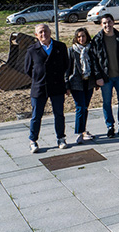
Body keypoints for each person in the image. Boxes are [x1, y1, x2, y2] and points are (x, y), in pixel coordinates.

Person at [24, 23, 69, 153]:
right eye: (41, 32)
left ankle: (61, 138)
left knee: (59, 114)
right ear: (36, 35)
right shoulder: (32, 50)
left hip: (57, 86)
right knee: (36, 116)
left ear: (50, 32)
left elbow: (66, 65)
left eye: (46, 31)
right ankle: (33, 140)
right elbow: (28, 69)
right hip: (39, 87)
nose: (44, 34)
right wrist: (39, 76)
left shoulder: (60, 47)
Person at [91, 14, 119, 138]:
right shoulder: (97, 39)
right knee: (107, 103)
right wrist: (98, 76)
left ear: (113, 22)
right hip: (105, 78)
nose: (107, 25)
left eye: (109, 22)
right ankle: (110, 126)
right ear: (101, 25)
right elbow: (94, 60)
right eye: (104, 23)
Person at [66, 27, 96, 145]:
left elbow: (94, 65)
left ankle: (83, 130)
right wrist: (67, 84)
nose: (81, 39)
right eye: (79, 37)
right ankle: (79, 133)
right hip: (76, 83)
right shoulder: (72, 51)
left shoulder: (90, 49)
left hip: (88, 82)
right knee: (80, 107)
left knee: (85, 107)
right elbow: (67, 69)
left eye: (83, 36)